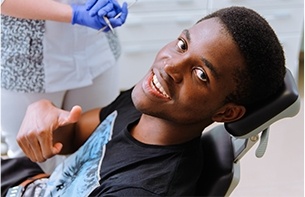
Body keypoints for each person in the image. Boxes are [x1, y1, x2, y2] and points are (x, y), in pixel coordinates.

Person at [2, 6, 286, 196]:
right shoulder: (146, 105)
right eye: (182, 45)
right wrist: (44, 110)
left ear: (227, 112)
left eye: (200, 74)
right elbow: (75, 134)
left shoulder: (141, 189)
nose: (170, 66)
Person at [0, 0, 128, 173]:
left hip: (97, 52)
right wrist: (74, 14)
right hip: (27, 63)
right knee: (33, 163)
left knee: (97, 150)